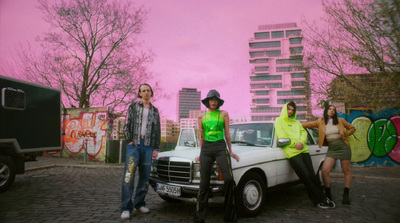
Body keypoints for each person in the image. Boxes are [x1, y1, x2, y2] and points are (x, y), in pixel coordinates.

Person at [274, 101, 335, 209]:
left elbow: (304, 133)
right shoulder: (278, 121)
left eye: (292, 110)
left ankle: (321, 198)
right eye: (289, 109)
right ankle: (320, 200)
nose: (290, 112)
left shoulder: (297, 123)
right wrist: (294, 143)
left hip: (304, 150)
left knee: (312, 175)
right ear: (284, 109)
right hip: (292, 152)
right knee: (306, 176)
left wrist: (301, 142)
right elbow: (281, 136)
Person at [194, 89, 239, 223]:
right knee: (204, 183)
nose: (213, 102)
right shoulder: (201, 116)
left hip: (220, 147)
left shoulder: (224, 114)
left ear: (218, 102)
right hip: (206, 149)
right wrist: (200, 152)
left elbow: (227, 134)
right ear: (207, 101)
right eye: (211, 99)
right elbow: (201, 135)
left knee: (229, 179)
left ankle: (229, 216)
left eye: (215, 100)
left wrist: (230, 151)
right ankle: (199, 218)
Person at [120, 83, 161, 220]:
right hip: (135, 145)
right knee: (129, 175)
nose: (146, 93)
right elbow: (126, 124)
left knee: (145, 176)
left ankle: (139, 203)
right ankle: (126, 207)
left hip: (148, 146)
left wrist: (156, 148)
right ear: (139, 93)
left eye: (148, 90)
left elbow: (157, 130)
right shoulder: (133, 107)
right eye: (143, 91)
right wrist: (129, 140)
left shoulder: (155, 111)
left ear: (151, 93)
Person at [302, 105, 356, 204]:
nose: (332, 111)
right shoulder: (320, 121)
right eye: (330, 109)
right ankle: (328, 194)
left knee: (347, 171)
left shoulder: (340, 120)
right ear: (326, 111)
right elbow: (308, 125)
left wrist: (344, 134)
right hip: (332, 148)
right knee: (325, 170)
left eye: (334, 110)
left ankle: (346, 195)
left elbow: (352, 128)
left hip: (343, 146)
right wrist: (295, 124)